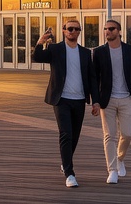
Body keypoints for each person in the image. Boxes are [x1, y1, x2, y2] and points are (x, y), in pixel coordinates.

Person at [32, 18, 93, 188]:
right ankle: (69, 172)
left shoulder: (85, 53)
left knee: (74, 136)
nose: (72, 31)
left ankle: (65, 162)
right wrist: (40, 41)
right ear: (64, 31)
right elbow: (37, 57)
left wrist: (95, 101)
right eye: (69, 28)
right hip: (61, 99)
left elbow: (91, 78)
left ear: (79, 32)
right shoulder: (55, 49)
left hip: (79, 99)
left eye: (76, 29)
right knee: (65, 133)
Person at [91, 18, 131, 185]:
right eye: (105, 29)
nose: (108, 32)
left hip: (126, 97)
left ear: (119, 31)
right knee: (109, 136)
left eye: (111, 29)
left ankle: (120, 158)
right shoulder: (99, 52)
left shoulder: (129, 50)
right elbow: (94, 77)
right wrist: (96, 100)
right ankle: (112, 170)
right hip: (108, 100)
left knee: (128, 133)